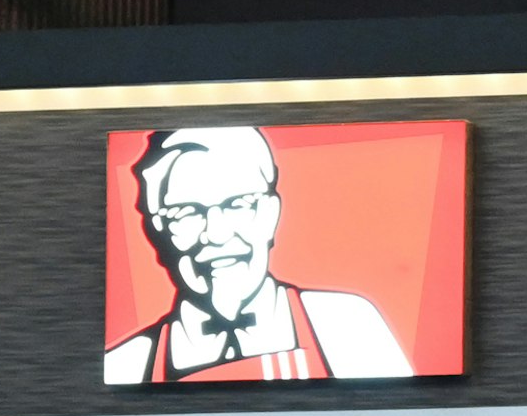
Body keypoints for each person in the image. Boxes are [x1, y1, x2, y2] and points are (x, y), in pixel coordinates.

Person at [104, 124, 415, 384]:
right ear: (157, 230)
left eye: (237, 205)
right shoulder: (127, 364)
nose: (217, 233)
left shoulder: (347, 326)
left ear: (271, 214)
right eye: (186, 213)